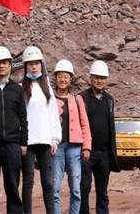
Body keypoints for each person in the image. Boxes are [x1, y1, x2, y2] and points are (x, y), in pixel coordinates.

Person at [20, 46, 60, 214]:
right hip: (28, 141)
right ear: (26, 66)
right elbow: (19, 115)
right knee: (28, 181)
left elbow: (53, 114)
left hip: (44, 140)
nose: (34, 67)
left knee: (48, 182)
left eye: (36, 63)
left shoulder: (47, 88)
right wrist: (21, 139)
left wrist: (55, 139)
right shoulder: (21, 88)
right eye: (30, 64)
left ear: (41, 65)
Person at [0, 46, 27, 214]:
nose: (2, 66)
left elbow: (23, 118)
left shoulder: (17, 89)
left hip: (12, 144)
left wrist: (23, 142)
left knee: (12, 186)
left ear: (10, 65)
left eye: (5, 62)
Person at [79, 61, 120, 214]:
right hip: (86, 153)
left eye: (102, 78)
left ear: (106, 79)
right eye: (96, 77)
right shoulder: (82, 98)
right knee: (84, 188)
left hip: (105, 153)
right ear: (91, 77)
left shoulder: (109, 100)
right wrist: (83, 147)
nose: (99, 81)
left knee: (102, 191)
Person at [52, 60, 91, 214]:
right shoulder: (49, 99)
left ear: (70, 79)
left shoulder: (77, 99)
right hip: (56, 148)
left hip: (75, 148)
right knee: (55, 189)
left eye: (66, 76)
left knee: (75, 189)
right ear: (56, 78)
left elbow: (84, 124)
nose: (62, 79)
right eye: (60, 76)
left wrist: (86, 147)